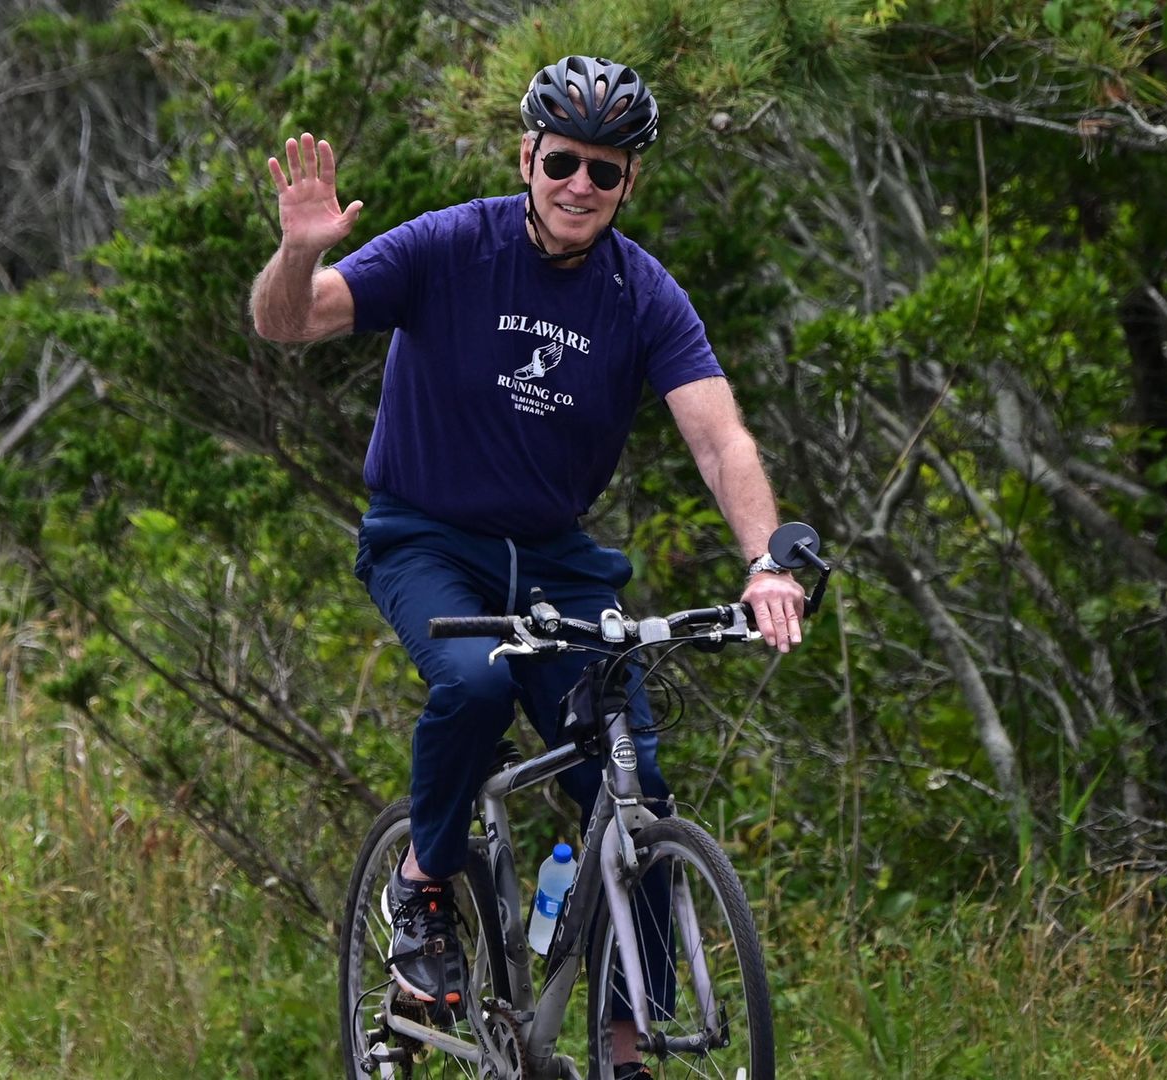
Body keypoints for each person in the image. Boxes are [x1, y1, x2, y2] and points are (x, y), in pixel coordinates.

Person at [248, 55, 805, 1078]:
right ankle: (421, 884)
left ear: (628, 183)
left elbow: (720, 439)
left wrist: (768, 559)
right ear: (527, 156)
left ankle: (623, 1050)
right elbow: (292, 321)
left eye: (604, 170)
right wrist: (296, 255)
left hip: (556, 557)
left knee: (632, 781)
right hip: (427, 537)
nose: (579, 186)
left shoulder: (643, 295)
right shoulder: (452, 245)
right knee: (473, 681)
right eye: (563, 162)